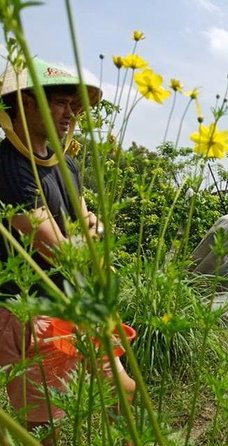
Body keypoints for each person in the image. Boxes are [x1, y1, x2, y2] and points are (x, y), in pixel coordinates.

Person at [0, 57, 135, 445]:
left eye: (73, 106)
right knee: (49, 424)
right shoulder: (10, 166)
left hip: (77, 301)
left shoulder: (67, 163)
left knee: (124, 393)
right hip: (32, 310)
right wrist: (85, 239)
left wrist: (94, 227)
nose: (70, 113)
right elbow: (55, 249)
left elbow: (84, 221)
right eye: (60, 102)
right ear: (25, 103)